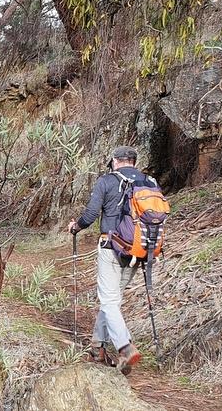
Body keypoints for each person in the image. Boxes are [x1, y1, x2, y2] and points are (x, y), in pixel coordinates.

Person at [67, 145, 146, 375]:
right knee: (112, 300)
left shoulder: (107, 181)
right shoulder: (147, 182)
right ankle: (97, 348)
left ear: (115, 161)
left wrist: (76, 226)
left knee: (109, 300)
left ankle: (125, 347)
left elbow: (91, 215)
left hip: (111, 247)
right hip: (137, 251)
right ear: (133, 161)